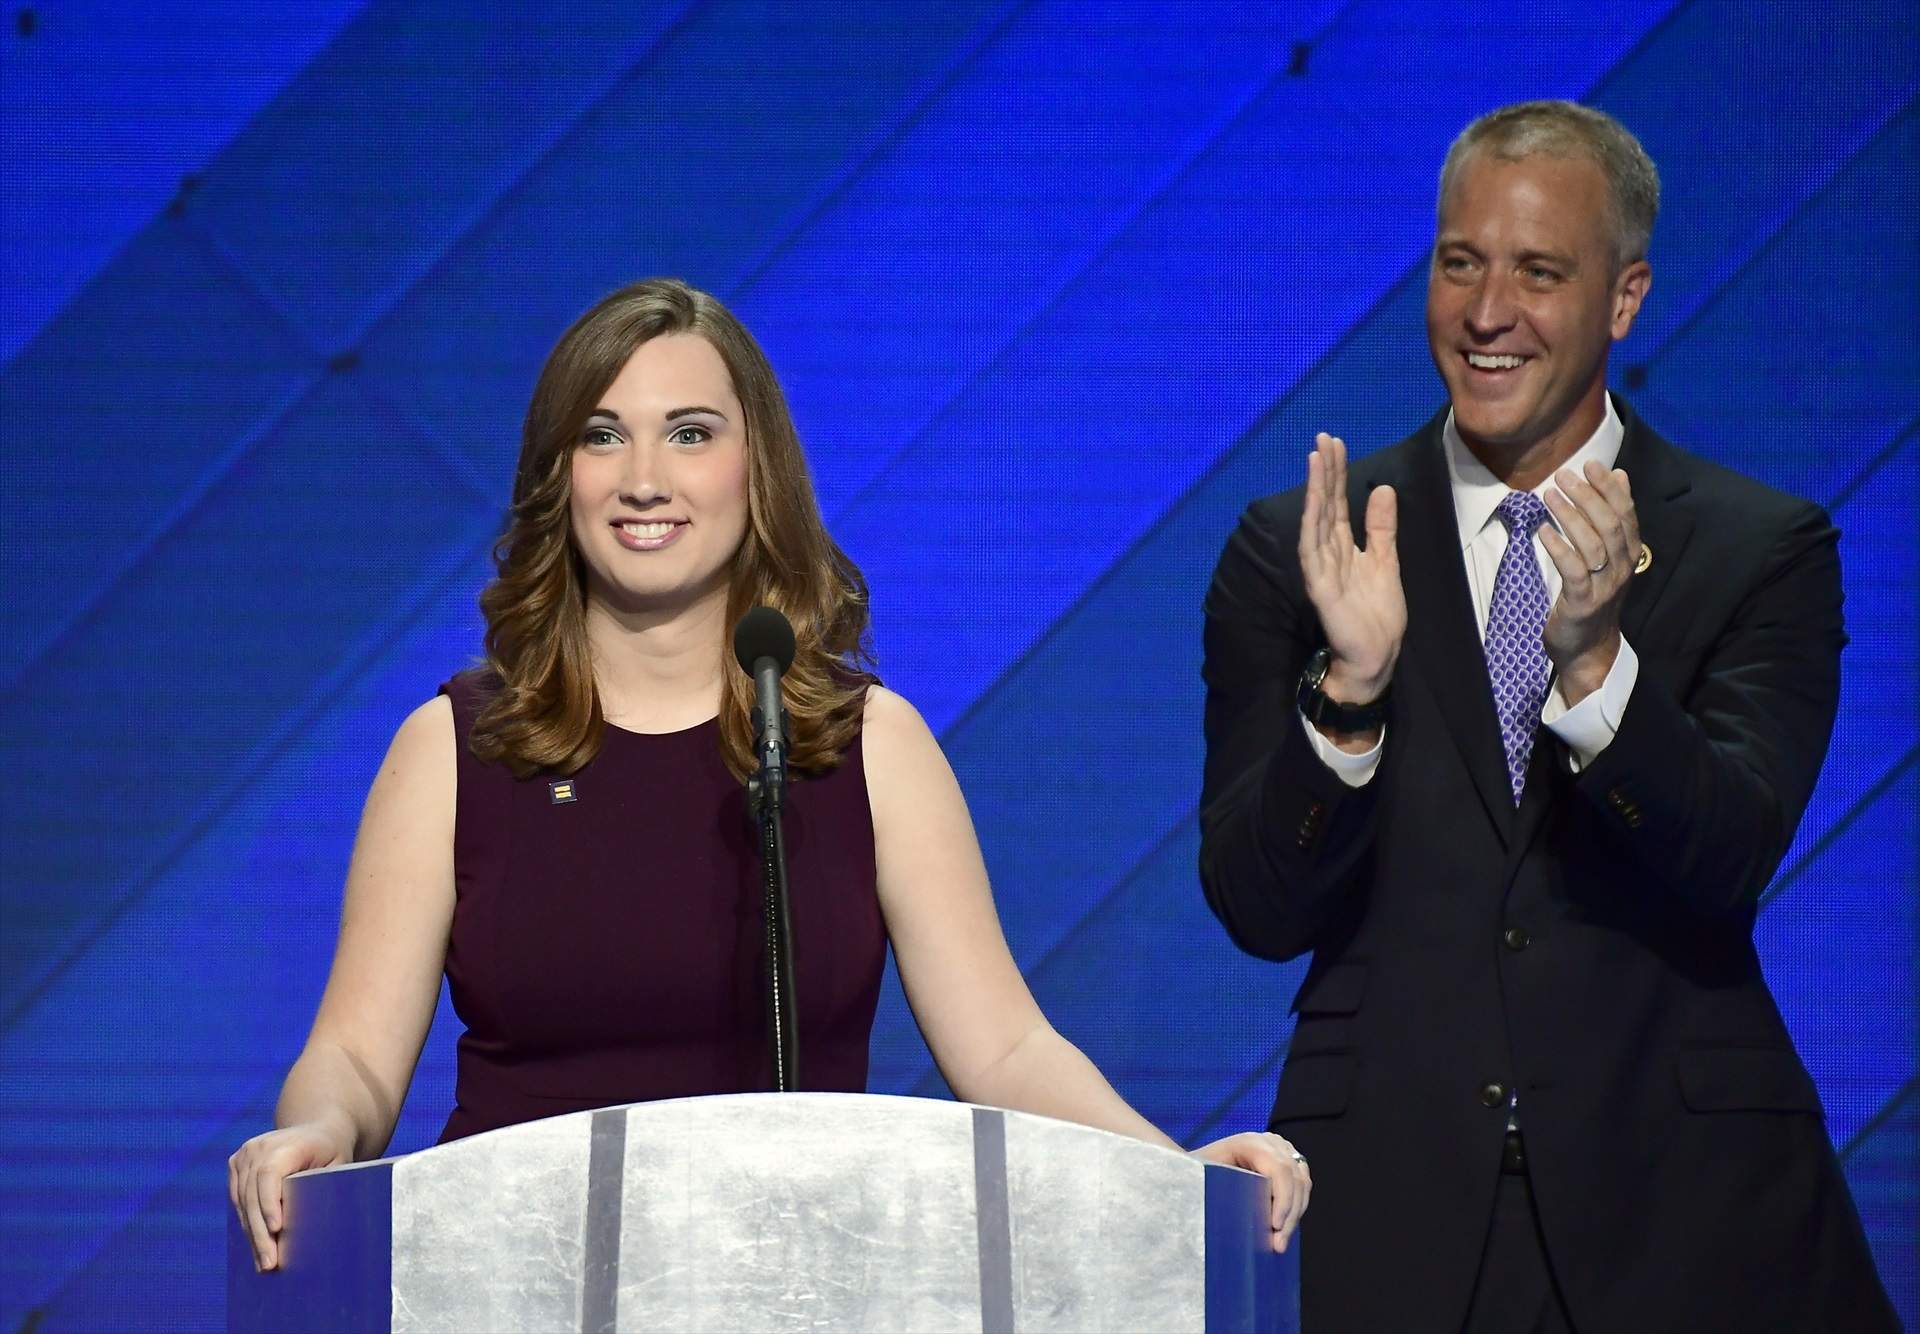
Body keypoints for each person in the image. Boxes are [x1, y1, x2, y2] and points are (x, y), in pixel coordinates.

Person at [230, 278, 1309, 1271]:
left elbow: (1008, 1046)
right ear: (559, 478)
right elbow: (355, 1054)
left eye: (689, 433)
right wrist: (319, 1127)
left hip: (800, 1278)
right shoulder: (456, 747)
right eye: (602, 436)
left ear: (757, 468)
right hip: (514, 1280)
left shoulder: (867, 743)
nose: (644, 477)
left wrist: (1179, 1174)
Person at [1199, 101, 1895, 1332]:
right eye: (1460, 262)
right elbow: (1259, 904)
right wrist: (1347, 695)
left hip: (1686, 1212)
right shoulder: (1305, 545)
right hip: (1392, 1207)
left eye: (1537, 271)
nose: (1485, 313)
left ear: (1624, 298)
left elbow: (1728, 853)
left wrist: (1595, 674)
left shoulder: (1758, 548)